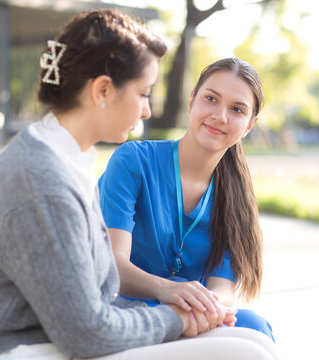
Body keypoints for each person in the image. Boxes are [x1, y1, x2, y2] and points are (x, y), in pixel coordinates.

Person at [0, 10, 278, 360]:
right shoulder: (41, 182)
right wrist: (174, 316)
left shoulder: (66, 163)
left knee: (255, 340)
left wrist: (192, 311)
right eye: (143, 93)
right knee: (249, 351)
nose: (148, 111)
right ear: (103, 90)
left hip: (57, 339)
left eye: (238, 110)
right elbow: (87, 331)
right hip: (18, 352)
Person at [98, 57, 274, 342]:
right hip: (125, 308)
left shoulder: (235, 196)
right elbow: (112, 264)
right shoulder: (134, 161)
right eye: (211, 99)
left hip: (194, 314)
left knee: (255, 327)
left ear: (250, 125)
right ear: (192, 101)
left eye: (237, 109)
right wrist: (168, 290)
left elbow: (223, 289)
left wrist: (207, 308)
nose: (221, 116)